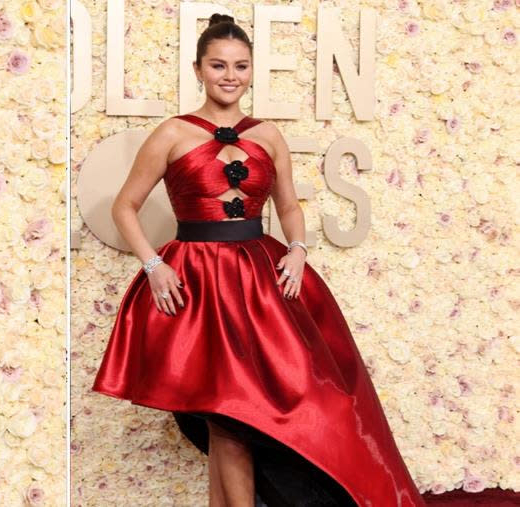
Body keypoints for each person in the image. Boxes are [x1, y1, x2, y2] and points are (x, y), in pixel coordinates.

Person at [91, 14, 427, 507]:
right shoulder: (171, 134)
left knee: (273, 407)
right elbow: (124, 206)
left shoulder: (268, 135)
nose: (230, 75)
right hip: (200, 282)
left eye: (241, 66)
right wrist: (152, 265)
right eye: (218, 65)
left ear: (251, 71)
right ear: (199, 69)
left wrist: (297, 250)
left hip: (259, 280)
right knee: (227, 416)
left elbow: (288, 207)